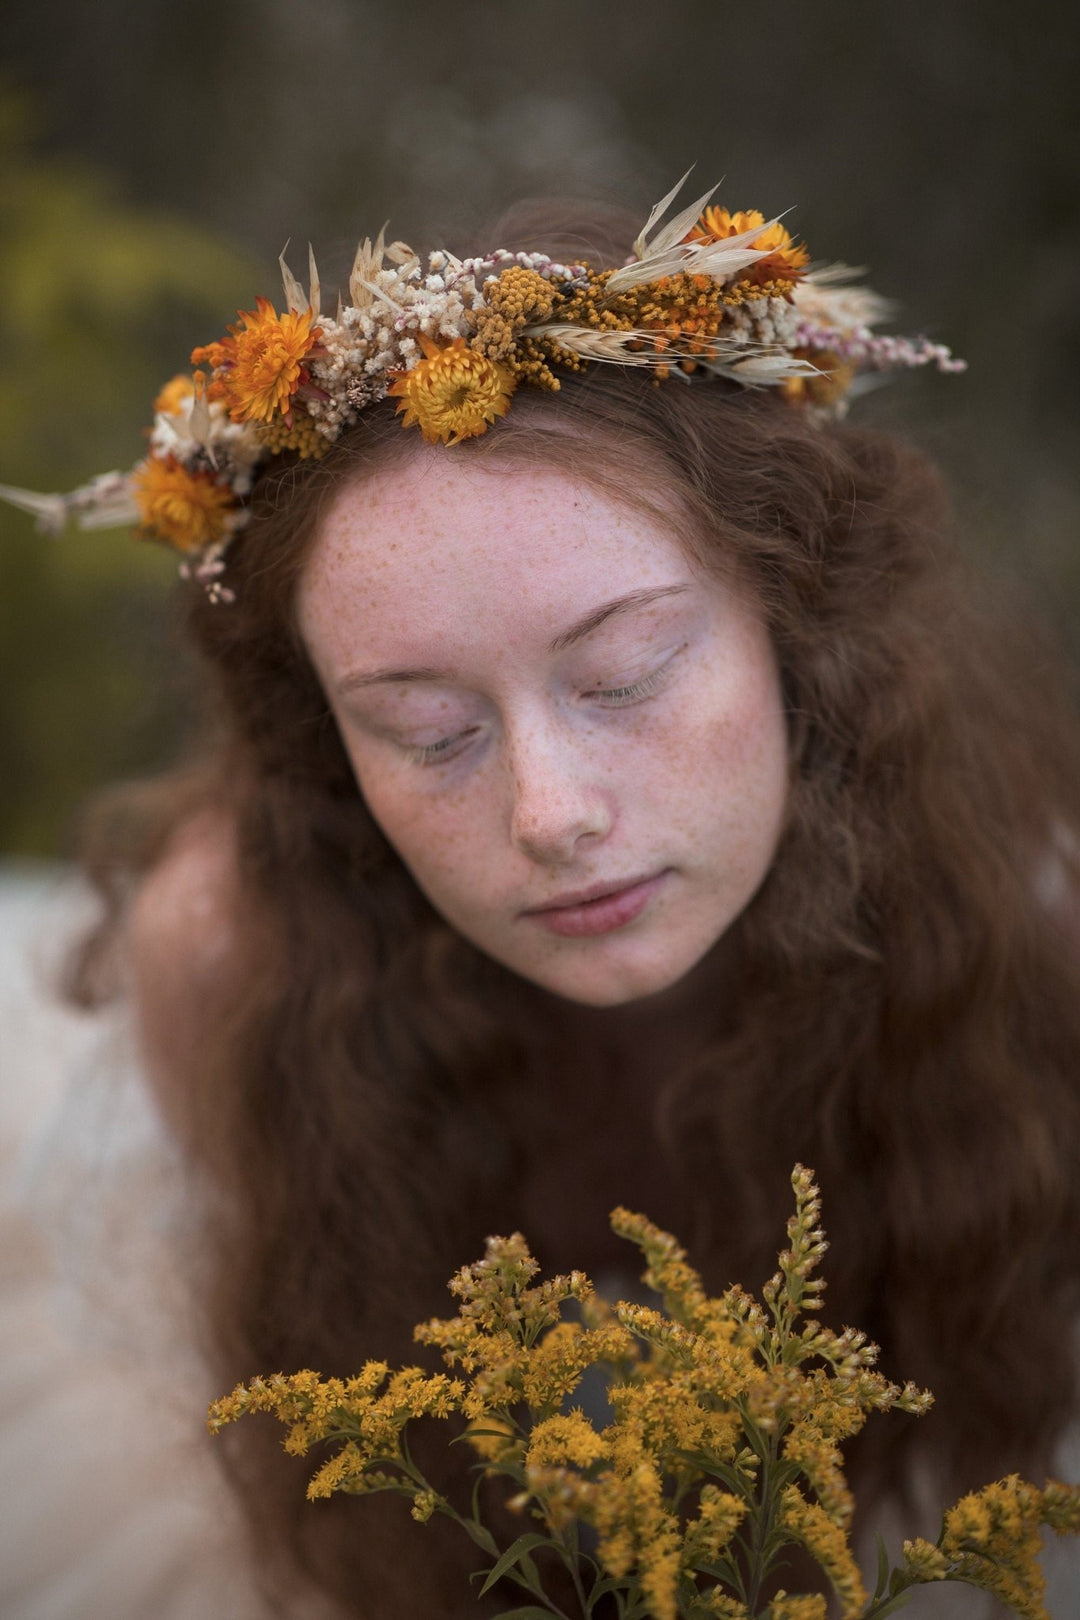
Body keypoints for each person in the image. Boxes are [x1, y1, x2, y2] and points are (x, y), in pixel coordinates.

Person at [4, 186, 1080, 1617]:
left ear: (797, 630)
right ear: (328, 746)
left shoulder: (1030, 924)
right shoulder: (237, 963)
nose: (550, 815)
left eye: (625, 673)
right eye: (432, 731)